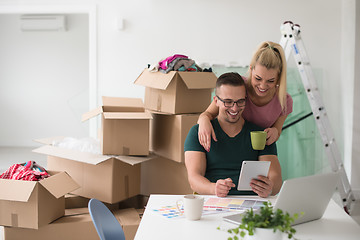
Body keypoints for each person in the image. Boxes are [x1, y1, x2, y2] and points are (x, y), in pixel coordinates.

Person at [184, 72, 282, 198]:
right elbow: (194, 178)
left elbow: (276, 178)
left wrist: (270, 187)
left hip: (252, 204)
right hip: (215, 200)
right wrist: (214, 188)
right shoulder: (198, 132)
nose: (235, 109)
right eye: (228, 102)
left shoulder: (260, 134)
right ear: (216, 101)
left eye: (240, 101)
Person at [198, 41, 293, 152]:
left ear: (279, 77)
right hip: (224, 146)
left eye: (270, 81)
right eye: (258, 78)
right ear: (251, 69)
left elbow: (277, 130)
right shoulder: (238, 86)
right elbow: (207, 114)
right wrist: (203, 121)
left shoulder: (284, 100)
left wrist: (275, 132)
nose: (262, 86)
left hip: (255, 152)